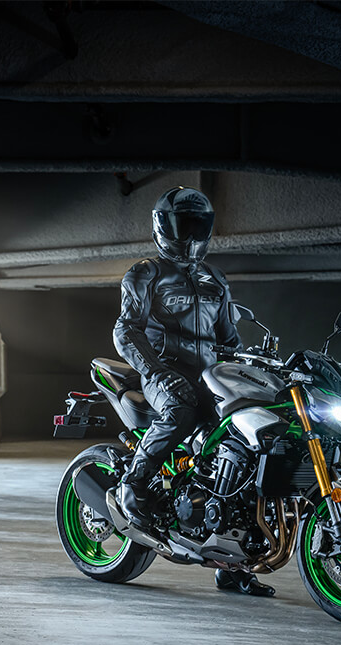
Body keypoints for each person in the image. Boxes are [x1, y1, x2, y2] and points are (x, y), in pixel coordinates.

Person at [111, 186, 274, 597]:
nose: (191, 233)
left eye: (198, 225)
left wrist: (250, 370)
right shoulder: (146, 273)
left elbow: (230, 341)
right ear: (164, 226)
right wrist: (157, 372)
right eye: (184, 224)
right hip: (164, 376)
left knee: (246, 447)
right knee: (180, 409)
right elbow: (126, 330)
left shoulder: (215, 278)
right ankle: (133, 486)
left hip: (209, 378)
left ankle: (233, 565)